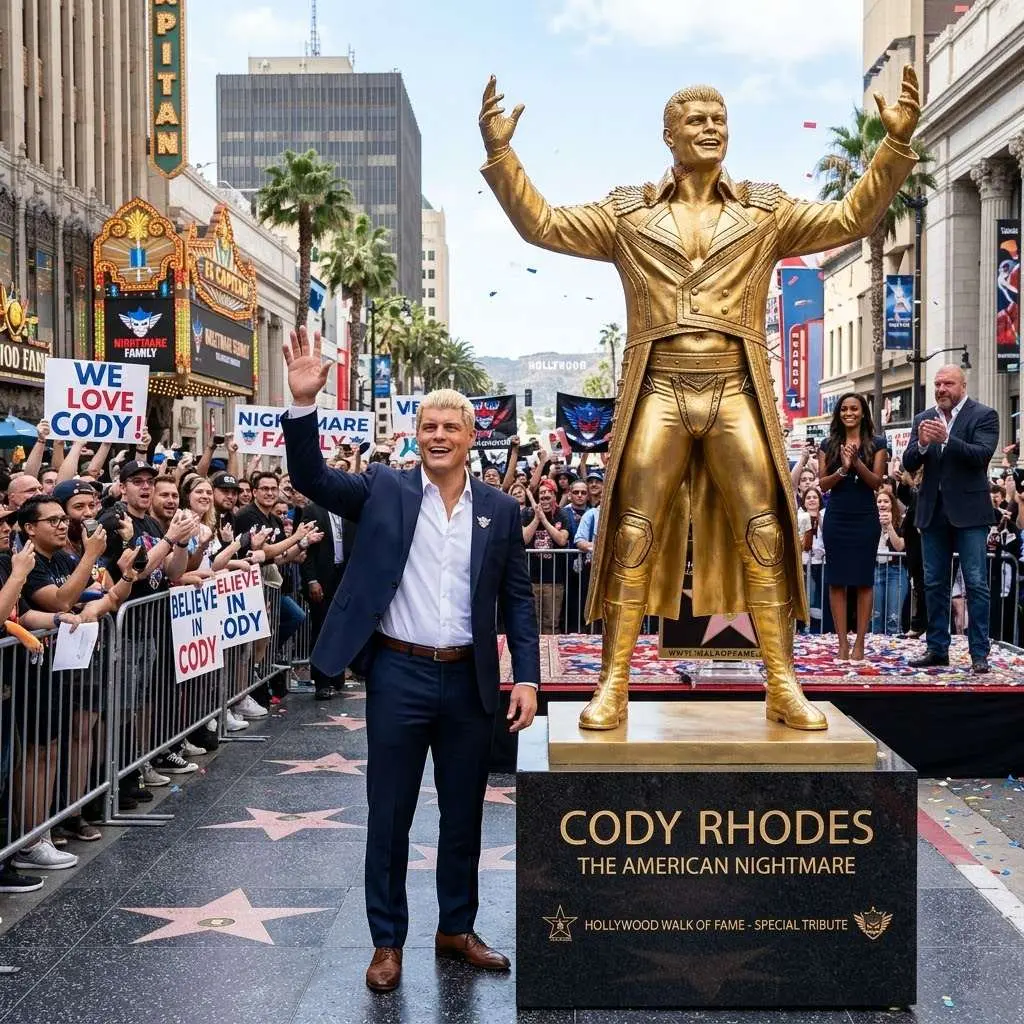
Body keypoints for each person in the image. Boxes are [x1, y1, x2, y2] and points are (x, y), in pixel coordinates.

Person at [478, 66, 921, 730]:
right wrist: (501, 154)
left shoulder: (765, 211)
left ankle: (781, 682)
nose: (712, 129)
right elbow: (540, 224)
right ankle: (614, 684)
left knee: (766, 529)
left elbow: (853, 215)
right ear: (668, 135)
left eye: (720, 121)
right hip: (658, 387)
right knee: (630, 530)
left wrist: (893, 148)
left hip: (735, 386)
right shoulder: (628, 214)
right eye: (696, 120)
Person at [282, 327, 539, 994]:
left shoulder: (500, 511)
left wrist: (529, 678)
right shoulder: (383, 490)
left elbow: (518, 602)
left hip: (469, 680)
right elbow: (309, 476)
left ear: (470, 436)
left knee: (463, 813)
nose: (438, 435)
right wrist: (303, 404)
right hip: (398, 673)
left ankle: (456, 927)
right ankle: (387, 942)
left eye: (451, 425)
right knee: (390, 812)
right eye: (428, 424)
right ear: (415, 434)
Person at [902, 365, 999, 672]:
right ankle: (937, 648)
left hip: (969, 513)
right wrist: (921, 444)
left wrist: (947, 440)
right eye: (937, 384)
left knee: (975, 583)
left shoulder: (984, 415)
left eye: (947, 383)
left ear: (962, 385)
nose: (941, 389)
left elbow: (981, 455)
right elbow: (909, 462)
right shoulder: (923, 418)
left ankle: (979, 653)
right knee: (933, 583)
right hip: (932, 512)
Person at [818, 393, 887, 661]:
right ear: (839, 413)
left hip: (864, 517)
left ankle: (860, 643)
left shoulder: (877, 443)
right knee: (836, 580)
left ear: (863, 412)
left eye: (854, 408)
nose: (849, 413)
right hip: (837, 516)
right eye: (844, 408)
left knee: (863, 581)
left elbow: (877, 483)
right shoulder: (829, 444)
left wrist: (856, 462)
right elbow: (822, 485)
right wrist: (843, 469)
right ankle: (841, 643)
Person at [873, 490, 907, 636]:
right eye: (879, 501)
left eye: (886, 501)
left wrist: (889, 527)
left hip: (896, 571)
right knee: (876, 616)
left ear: (892, 504)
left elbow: (899, 546)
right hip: (876, 570)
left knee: (893, 617)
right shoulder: (870, 521)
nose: (882, 504)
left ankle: (893, 651)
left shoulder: (902, 522)